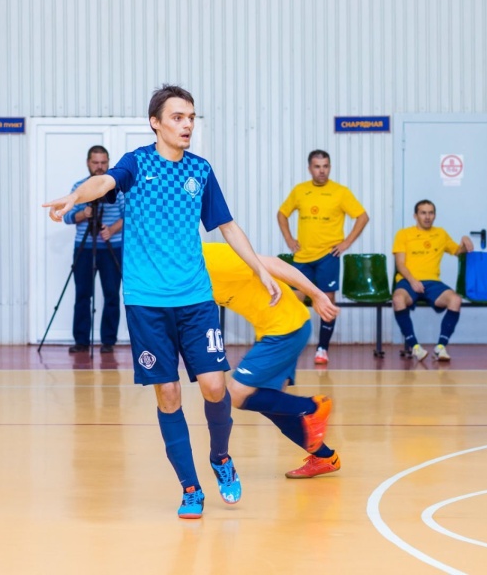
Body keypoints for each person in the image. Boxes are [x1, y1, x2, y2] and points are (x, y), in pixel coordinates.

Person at [44, 84, 281, 519]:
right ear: (155, 123)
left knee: (214, 387)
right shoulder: (137, 164)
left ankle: (221, 457)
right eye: (177, 117)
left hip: (195, 299)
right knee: (168, 394)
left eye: (191, 117)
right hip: (147, 303)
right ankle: (190, 487)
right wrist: (76, 195)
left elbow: (227, 226)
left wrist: (260, 268)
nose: (186, 124)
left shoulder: (200, 171)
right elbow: (104, 181)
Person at [202, 242, 342, 479]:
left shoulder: (212, 256)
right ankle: (325, 457)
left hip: (285, 328)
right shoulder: (184, 274)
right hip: (276, 329)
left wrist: (317, 295)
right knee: (273, 407)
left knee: (235, 393)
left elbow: (274, 264)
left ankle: (313, 407)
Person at [277, 150, 369, 365]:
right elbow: (282, 214)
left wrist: (346, 243)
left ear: (330, 167)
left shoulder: (340, 192)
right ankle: (289, 347)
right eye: (317, 166)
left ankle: (322, 348)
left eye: (325, 166)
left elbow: (362, 217)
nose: (321, 171)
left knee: (327, 302)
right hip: (302, 257)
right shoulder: (300, 190)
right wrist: (289, 238)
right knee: (294, 302)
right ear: (310, 168)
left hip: (328, 256)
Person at [392, 199, 473, 362]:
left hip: (433, 282)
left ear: (435, 215)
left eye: (430, 213)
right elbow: (400, 264)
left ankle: (441, 347)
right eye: (423, 213)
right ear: (415, 216)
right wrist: (413, 281)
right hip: (408, 280)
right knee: (398, 299)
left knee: (455, 300)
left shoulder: (441, 234)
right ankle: (415, 347)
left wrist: (465, 240)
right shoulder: (403, 234)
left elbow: (458, 251)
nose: (427, 217)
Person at [62, 146, 125, 354]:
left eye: (103, 163)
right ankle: (81, 341)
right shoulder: (79, 187)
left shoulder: (117, 188)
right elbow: (67, 217)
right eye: (95, 162)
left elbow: (130, 215)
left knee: (112, 294)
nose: (99, 167)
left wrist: (112, 229)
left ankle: (108, 341)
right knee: (83, 294)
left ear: (108, 162)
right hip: (85, 248)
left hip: (112, 247)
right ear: (88, 163)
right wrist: (84, 213)